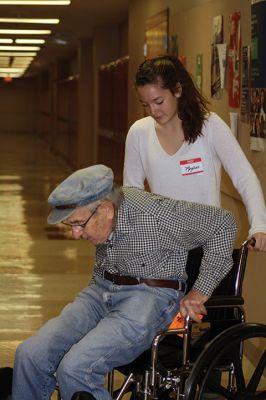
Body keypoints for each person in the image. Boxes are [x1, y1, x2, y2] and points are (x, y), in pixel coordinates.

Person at [12, 164, 236, 400]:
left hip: (149, 296)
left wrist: (200, 291)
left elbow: (223, 223)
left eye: (78, 224)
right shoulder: (101, 216)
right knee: (30, 355)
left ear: (106, 209)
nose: (75, 234)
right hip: (101, 291)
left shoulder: (156, 213)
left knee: (77, 367)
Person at [123, 55, 266, 252]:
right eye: (145, 105)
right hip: (163, 251)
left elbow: (245, 177)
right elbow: (132, 194)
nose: (152, 111)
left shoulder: (210, 126)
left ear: (177, 90)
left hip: (208, 247)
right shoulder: (139, 133)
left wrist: (259, 225)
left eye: (158, 101)